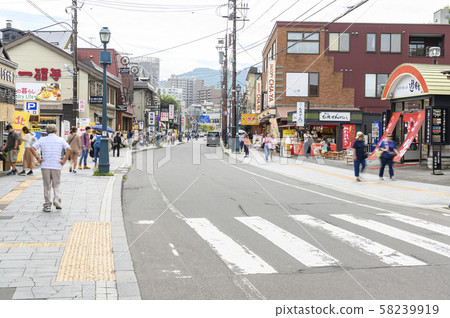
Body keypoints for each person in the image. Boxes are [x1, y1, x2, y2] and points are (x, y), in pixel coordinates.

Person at [29, 124, 71, 212]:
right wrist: (64, 160)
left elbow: (32, 148)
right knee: (56, 184)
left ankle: (47, 205)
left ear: (47, 132)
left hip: (45, 165)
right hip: (56, 165)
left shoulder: (42, 139)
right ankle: (57, 199)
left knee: (46, 185)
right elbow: (69, 149)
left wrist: (38, 158)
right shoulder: (60, 139)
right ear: (56, 131)